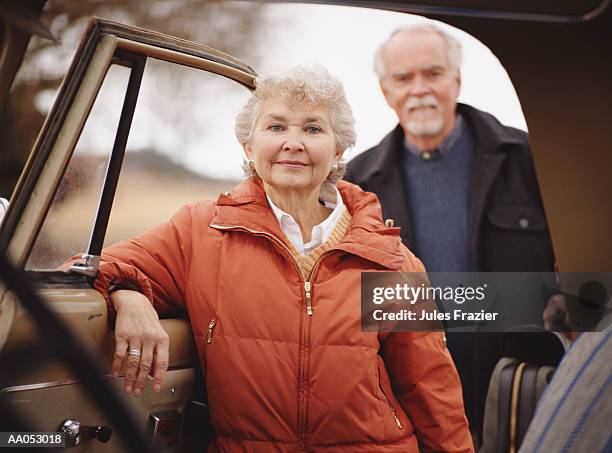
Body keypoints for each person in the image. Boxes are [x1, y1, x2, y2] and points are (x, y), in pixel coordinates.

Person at [91, 65, 473, 452]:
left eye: (312, 128)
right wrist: (130, 296)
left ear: (338, 150)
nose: (294, 142)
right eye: (276, 127)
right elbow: (93, 269)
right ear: (248, 146)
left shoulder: (390, 258)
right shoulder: (203, 230)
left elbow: (431, 389)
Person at [345, 24, 555, 444]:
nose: (419, 89)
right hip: (411, 410)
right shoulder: (356, 184)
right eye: (403, 78)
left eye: (433, 73)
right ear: (386, 92)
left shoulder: (533, 160)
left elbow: (586, 284)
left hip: (520, 400)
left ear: (456, 79)